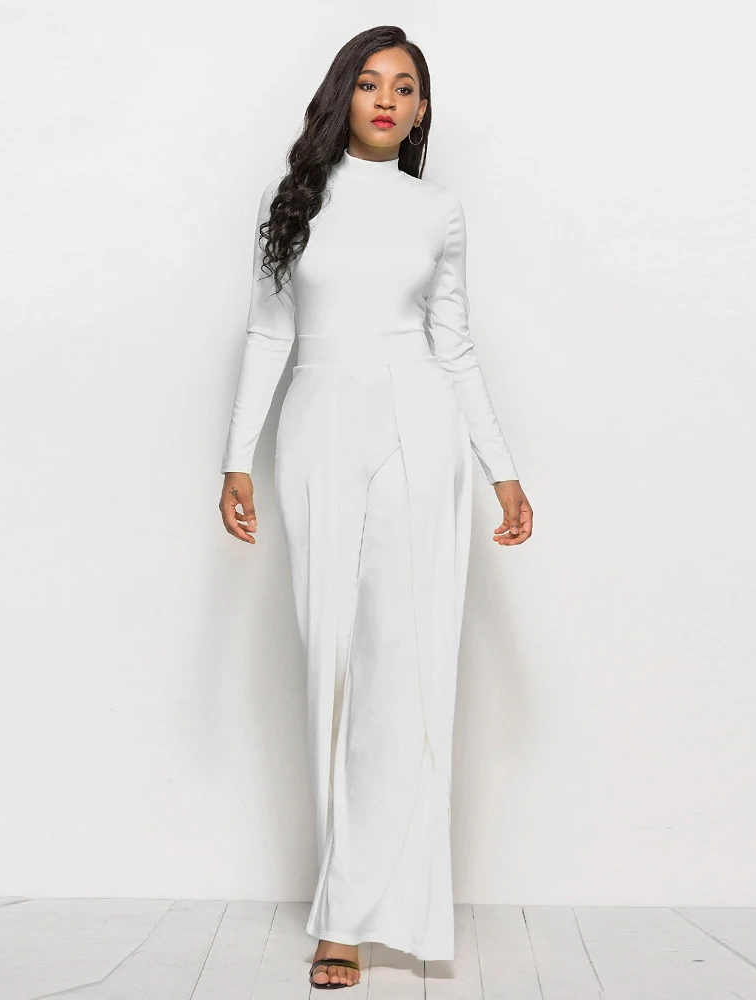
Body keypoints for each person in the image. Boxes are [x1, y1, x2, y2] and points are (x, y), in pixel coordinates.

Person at [218, 25, 533, 990]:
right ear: (341, 96)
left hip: (418, 429)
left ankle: (352, 919)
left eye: (405, 87)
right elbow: (267, 333)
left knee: (404, 664)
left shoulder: (438, 209)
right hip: (317, 427)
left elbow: (455, 345)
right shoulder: (292, 200)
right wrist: (235, 459)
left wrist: (502, 469)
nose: (387, 99)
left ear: (423, 109)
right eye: (369, 82)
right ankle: (348, 888)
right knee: (332, 659)